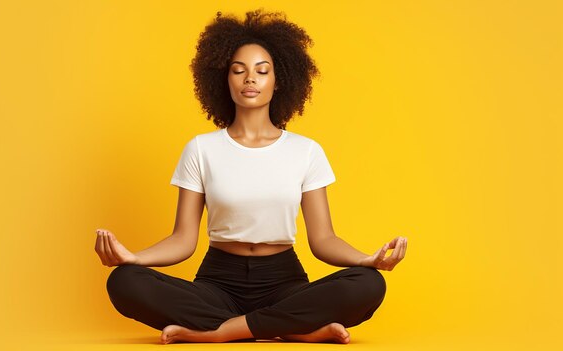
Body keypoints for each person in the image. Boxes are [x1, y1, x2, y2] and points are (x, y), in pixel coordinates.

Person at [94, 8, 407, 344]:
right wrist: (134, 258)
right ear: (223, 79)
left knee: (369, 283)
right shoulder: (201, 149)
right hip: (217, 283)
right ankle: (294, 330)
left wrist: (366, 259)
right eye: (238, 70)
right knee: (124, 281)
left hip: (284, 282)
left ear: (279, 79)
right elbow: (183, 240)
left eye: (262, 70)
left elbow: (324, 240)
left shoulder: (306, 151)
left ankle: (220, 332)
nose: (250, 79)